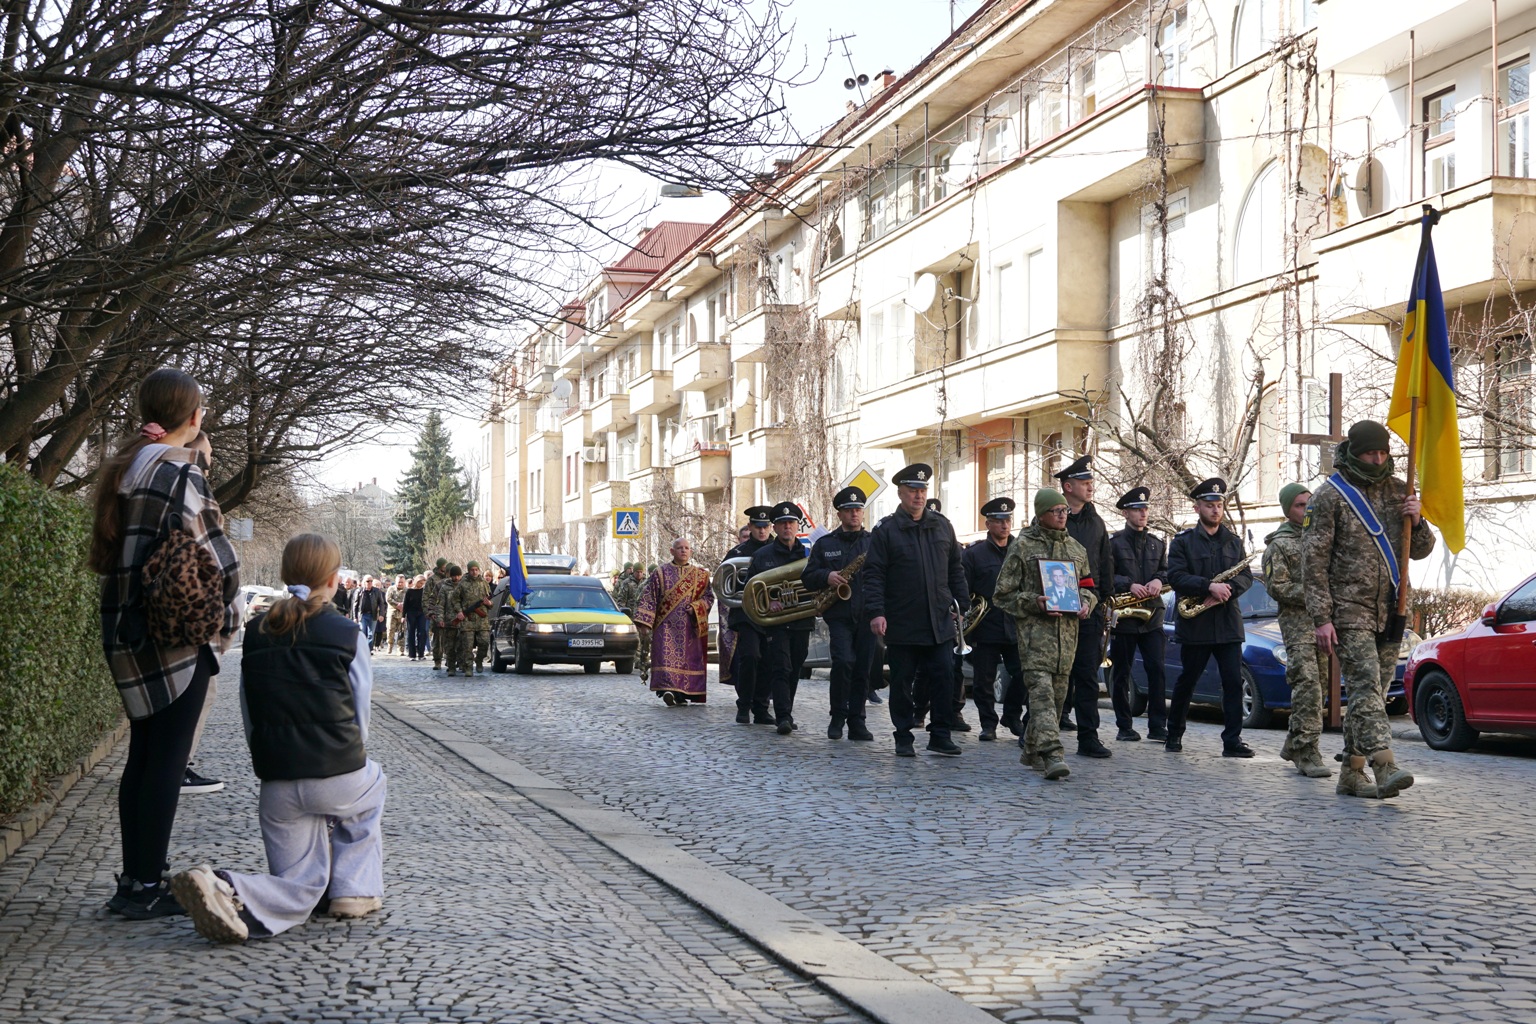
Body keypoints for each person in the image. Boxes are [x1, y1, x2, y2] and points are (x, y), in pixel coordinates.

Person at [171, 533, 386, 943]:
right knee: (371, 789)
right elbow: (361, 710)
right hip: (339, 773)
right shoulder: (348, 633)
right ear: (333, 579)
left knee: (299, 888)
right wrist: (353, 757)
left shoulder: (256, 631)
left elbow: (248, 707)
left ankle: (228, 890)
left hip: (277, 784)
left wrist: (267, 761)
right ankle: (353, 892)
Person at [90, 367, 242, 918]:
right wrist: (228, 615)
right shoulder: (179, 474)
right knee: (166, 764)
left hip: (130, 628)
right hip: (174, 635)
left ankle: (134, 882)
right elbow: (220, 558)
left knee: (144, 759)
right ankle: (147, 888)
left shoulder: (131, 467)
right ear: (195, 416)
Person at [1303, 420, 1435, 799]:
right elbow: (1313, 564)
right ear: (1355, 452)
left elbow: (1422, 549)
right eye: (1370, 453)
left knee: (1374, 692)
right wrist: (1322, 618)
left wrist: (1418, 518)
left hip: (1393, 608)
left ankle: (1352, 770)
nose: (1377, 459)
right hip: (1349, 609)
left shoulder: (1399, 490)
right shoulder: (1330, 496)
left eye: (1382, 453)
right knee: (1364, 686)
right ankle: (1385, 763)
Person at [862, 463, 969, 758]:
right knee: (902, 682)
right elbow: (874, 574)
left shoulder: (942, 525)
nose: (919, 496)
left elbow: (955, 569)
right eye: (913, 490)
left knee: (944, 677)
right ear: (900, 493)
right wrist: (877, 612)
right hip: (902, 620)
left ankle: (940, 734)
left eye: (922, 490)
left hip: (938, 620)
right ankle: (903, 735)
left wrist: (962, 604)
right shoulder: (886, 530)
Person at [993, 489, 1097, 780]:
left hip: (1067, 641)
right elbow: (1001, 594)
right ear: (1041, 515)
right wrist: (1033, 602)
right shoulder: (1023, 546)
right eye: (1056, 511)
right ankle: (1053, 753)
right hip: (1035, 640)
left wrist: (1087, 603)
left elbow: (1088, 587)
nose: (1063, 515)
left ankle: (1031, 749)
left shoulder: (1076, 549)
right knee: (1041, 696)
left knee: (1056, 701)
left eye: (1065, 510)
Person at [1165, 478, 1254, 757]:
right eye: (1209, 505)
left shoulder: (1233, 541)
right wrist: (1208, 586)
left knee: (1232, 683)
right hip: (1197, 623)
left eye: (1219, 505)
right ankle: (1174, 734)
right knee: (1188, 680)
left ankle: (1232, 742)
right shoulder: (1183, 543)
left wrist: (1229, 589)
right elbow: (1176, 577)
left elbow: (1246, 577)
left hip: (1227, 622)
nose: (1215, 510)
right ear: (1197, 508)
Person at [1262, 482, 1332, 778]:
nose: (1306, 510)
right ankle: (1306, 750)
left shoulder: (1320, 538)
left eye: (1309, 503)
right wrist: (1316, 593)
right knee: (1307, 685)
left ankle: (1294, 742)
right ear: (1288, 510)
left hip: (1323, 623)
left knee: (1322, 685)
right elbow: (1277, 587)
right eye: (1300, 505)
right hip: (1298, 625)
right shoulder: (1279, 545)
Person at [803, 487, 876, 741]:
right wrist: (827, 576)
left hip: (868, 613)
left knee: (863, 669)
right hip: (839, 614)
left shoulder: (873, 542)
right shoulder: (826, 544)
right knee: (843, 663)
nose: (854, 514)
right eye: (849, 510)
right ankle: (837, 717)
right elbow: (808, 577)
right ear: (840, 514)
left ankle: (858, 722)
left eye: (858, 510)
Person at [1058, 454, 1115, 759]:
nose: (1090, 486)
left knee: (1086, 676)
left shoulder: (1095, 521)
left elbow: (1104, 562)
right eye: (1084, 482)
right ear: (1068, 486)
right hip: (1056, 610)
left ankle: (1088, 737)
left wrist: (1105, 601)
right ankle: (1038, 727)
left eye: (1090, 481)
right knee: (1054, 675)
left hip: (1089, 609)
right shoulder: (1053, 516)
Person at [959, 497, 1025, 742]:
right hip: (986, 624)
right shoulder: (974, 554)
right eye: (999, 521)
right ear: (988, 524)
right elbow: (963, 588)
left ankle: (1012, 715)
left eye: (1008, 520)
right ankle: (988, 724)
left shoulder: (1022, 550)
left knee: (1023, 675)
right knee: (983, 680)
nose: (1005, 525)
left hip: (1016, 623)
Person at [182, 430, 225, 796]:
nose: (210, 464)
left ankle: (178, 764)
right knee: (199, 693)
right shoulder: (188, 479)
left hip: (169, 615)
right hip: (186, 618)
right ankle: (179, 765)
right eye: (208, 456)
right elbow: (218, 559)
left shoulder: (137, 470)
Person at [746, 502, 814, 735]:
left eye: (791, 523)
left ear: (797, 526)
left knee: (795, 666)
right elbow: (751, 590)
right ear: (774, 526)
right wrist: (770, 602)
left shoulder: (809, 554)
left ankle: (787, 711)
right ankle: (783, 716)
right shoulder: (762, 556)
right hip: (776, 623)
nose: (787, 527)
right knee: (781, 667)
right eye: (783, 523)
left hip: (802, 619)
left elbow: (817, 584)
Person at [1108, 486, 1169, 743]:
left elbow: (1168, 572)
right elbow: (1107, 576)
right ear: (1125, 513)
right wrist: (1128, 584)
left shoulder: (1157, 543)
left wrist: (1157, 579)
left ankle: (1157, 726)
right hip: (1125, 617)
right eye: (1137, 509)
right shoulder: (1114, 543)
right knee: (1121, 672)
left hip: (1152, 615)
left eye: (1145, 509)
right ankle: (1124, 725)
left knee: (1157, 670)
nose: (1143, 513)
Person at [633, 538, 715, 704]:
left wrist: (696, 607)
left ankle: (682, 694)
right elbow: (649, 598)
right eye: (679, 548)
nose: (683, 551)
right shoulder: (660, 573)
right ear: (672, 551)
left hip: (689, 627)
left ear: (691, 551)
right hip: (665, 627)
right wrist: (644, 622)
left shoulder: (700, 575)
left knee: (687, 662)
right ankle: (668, 691)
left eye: (687, 548)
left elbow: (708, 598)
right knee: (666, 659)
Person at [722, 506, 774, 724]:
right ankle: (744, 706)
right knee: (750, 657)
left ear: (771, 527)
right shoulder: (737, 553)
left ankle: (761, 708)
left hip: (775, 614)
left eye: (766, 526)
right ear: (750, 527)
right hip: (747, 615)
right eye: (758, 526)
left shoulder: (781, 549)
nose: (762, 531)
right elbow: (725, 585)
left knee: (769, 661)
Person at [459, 560, 494, 675]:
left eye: (476, 570)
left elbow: (490, 601)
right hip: (467, 620)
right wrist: (459, 611)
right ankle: (468, 667)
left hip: (482, 620)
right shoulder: (462, 583)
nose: (474, 572)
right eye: (472, 570)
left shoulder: (484, 583)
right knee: (467, 646)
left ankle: (479, 660)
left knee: (484, 642)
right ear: (468, 571)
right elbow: (454, 600)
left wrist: (489, 604)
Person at [423, 558, 450, 671]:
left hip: (450, 614)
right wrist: (429, 612)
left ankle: (450, 660)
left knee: (450, 639)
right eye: (444, 566)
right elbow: (426, 597)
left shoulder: (452, 579)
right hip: (437, 613)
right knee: (437, 639)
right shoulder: (432, 580)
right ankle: (437, 661)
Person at [440, 564, 468, 676]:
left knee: (464, 645)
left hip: (464, 621)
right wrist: (440, 618)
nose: (456, 578)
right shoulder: (445, 588)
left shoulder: (465, 586)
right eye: (454, 576)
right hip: (450, 621)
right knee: (449, 646)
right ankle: (451, 667)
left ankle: (464, 664)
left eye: (458, 575)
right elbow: (440, 605)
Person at [403, 575, 429, 661]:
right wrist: (403, 616)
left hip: (422, 613)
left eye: (423, 583)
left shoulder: (424, 591)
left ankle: (421, 653)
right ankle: (412, 654)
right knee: (411, 633)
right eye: (420, 583)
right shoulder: (409, 591)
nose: (421, 585)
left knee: (422, 633)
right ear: (416, 582)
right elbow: (405, 604)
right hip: (411, 613)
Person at [357, 576, 386, 650]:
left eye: (371, 581)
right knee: (363, 633)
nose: (369, 583)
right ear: (364, 582)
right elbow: (355, 604)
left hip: (373, 615)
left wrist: (381, 614)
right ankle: (362, 649)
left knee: (371, 634)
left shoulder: (376, 591)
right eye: (367, 581)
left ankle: (369, 650)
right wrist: (354, 617)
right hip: (363, 615)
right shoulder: (359, 591)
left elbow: (381, 603)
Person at [385, 574, 407, 655]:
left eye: (402, 582)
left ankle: (400, 649)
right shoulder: (391, 589)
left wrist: (403, 606)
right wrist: (397, 605)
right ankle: (390, 645)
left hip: (402, 614)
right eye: (398, 582)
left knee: (402, 631)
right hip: (392, 613)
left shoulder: (407, 590)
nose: (400, 584)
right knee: (390, 630)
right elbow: (388, 599)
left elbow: (409, 600)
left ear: (404, 582)